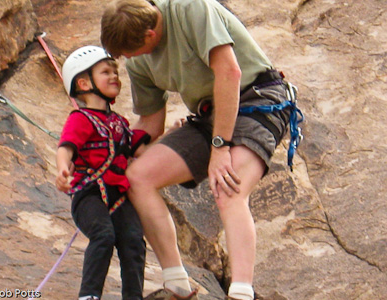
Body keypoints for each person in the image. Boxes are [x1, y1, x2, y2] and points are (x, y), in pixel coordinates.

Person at [101, 0, 296, 299]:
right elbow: (152, 120)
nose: (128, 59)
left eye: (130, 51)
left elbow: (229, 72)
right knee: (138, 177)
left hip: (258, 101)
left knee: (228, 184)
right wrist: (117, 153)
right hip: (210, 116)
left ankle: (241, 292)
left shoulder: (190, 9)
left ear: (150, 35)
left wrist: (220, 148)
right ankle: (177, 284)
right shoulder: (139, 62)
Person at [56, 45, 151, 300]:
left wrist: (174, 134)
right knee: (103, 235)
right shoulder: (81, 118)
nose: (114, 77)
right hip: (88, 196)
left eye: (115, 72)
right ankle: (89, 295)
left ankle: (134, 296)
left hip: (118, 196)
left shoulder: (119, 122)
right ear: (84, 83)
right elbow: (66, 146)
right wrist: (63, 168)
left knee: (133, 239)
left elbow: (142, 150)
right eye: (105, 72)